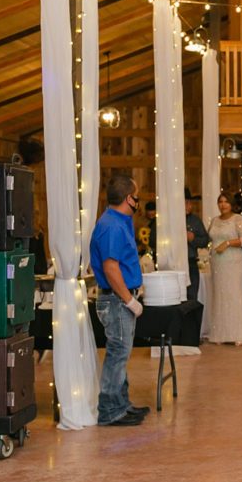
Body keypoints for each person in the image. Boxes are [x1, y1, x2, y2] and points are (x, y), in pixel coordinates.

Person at [89, 175, 150, 426]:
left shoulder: (119, 221)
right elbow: (111, 267)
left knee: (121, 353)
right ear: (129, 199)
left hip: (119, 298)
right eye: (137, 195)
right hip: (116, 300)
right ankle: (111, 410)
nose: (139, 200)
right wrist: (129, 300)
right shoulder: (112, 225)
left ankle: (121, 404)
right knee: (117, 353)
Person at [206, 193, 242, 345]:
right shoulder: (214, 220)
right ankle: (220, 334)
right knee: (219, 296)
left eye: (226, 202)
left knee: (233, 295)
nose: (223, 205)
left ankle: (238, 334)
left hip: (232, 261)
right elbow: (210, 238)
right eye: (220, 202)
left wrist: (227, 243)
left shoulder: (238, 219)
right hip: (217, 262)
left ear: (232, 204)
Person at [184, 188, 210, 302]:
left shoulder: (195, 220)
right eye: (186, 203)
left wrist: (193, 239)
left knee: (192, 298)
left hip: (191, 263)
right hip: (173, 265)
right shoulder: (169, 220)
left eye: (190, 203)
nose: (189, 206)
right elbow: (152, 240)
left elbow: (205, 240)